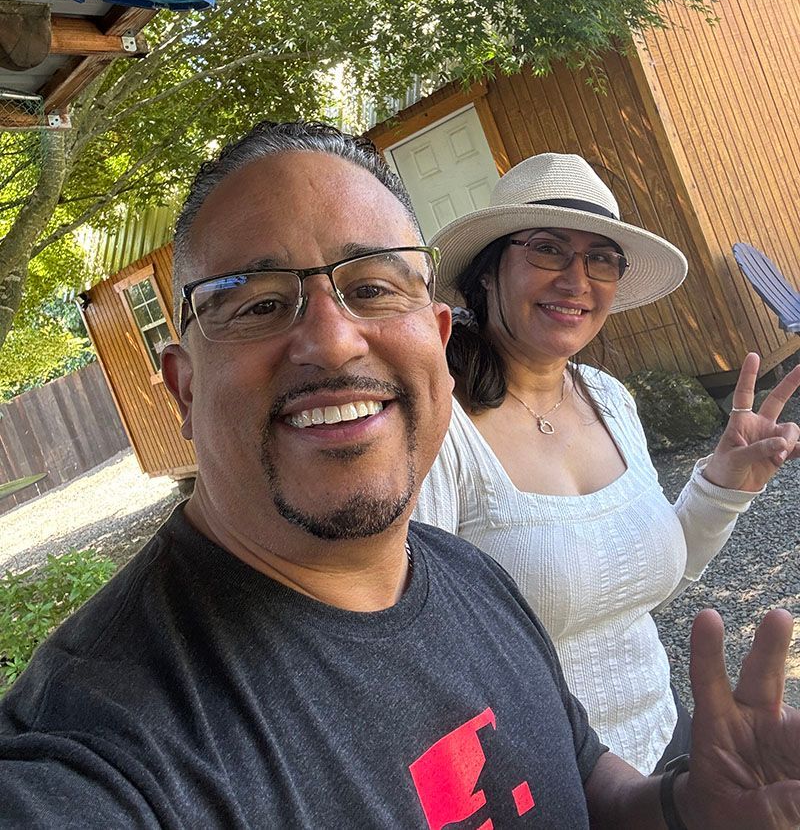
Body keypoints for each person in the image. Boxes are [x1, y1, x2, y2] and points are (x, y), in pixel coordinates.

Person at [1, 120, 799, 830]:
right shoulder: (113, 742)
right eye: (258, 302)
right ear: (182, 385)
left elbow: (585, 786)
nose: (334, 340)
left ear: (436, 337)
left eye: (373, 287)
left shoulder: (472, 578)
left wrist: (686, 807)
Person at [414, 151, 800, 774]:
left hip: (668, 741)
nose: (577, 280)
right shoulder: (439, 427)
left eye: (601, 258)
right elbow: (421, 652)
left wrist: (726, 485)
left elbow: (639, 581)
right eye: (547, 249)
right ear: (488, 272)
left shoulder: (609, 397)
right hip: (545, 783)